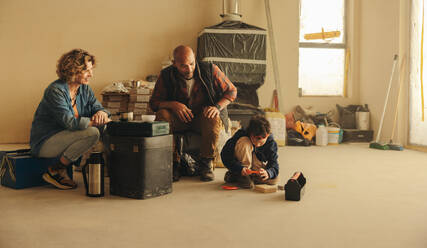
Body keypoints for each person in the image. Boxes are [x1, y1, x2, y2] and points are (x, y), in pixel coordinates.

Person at [149, 45, 237, 182]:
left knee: (212, 117)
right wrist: (173, 104)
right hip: (178, 119)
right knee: (162, 115)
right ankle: (173, 163)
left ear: (195, 58)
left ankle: (206, 163)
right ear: (174, 64)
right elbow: (154, 103)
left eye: (192, 64)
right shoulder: (166, 75)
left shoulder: (210, 70)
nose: (189, 69)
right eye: (183, 66)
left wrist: (217, 107)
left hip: (201, 118)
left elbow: (231, 91)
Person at [30, 49, 110, 190]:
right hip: (46, 141)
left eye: (91, 69)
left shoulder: (85, 89)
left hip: (67, 138)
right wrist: (95, 121)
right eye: (86, 70)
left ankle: (62, 169)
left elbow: (98, 106)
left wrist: (101, 113)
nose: (91, 74)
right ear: (73, 70)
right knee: (93, 132)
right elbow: (69, 122)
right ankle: (56, 170)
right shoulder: (55, 90)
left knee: (100, 128)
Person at [221, 115, 279, 189]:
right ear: (250, 133)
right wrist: (239, 168)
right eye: (254, 140)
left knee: (274, 179)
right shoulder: (241, 134)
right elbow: (225, 155)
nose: (257, 144)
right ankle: (243, 176)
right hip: (241, 164)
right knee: (245, 142)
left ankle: (236, 176)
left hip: (255, 164)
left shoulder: (271, 143)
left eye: (261, 142)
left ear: (267, 135)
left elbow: (274, 164)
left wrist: (268, 173)